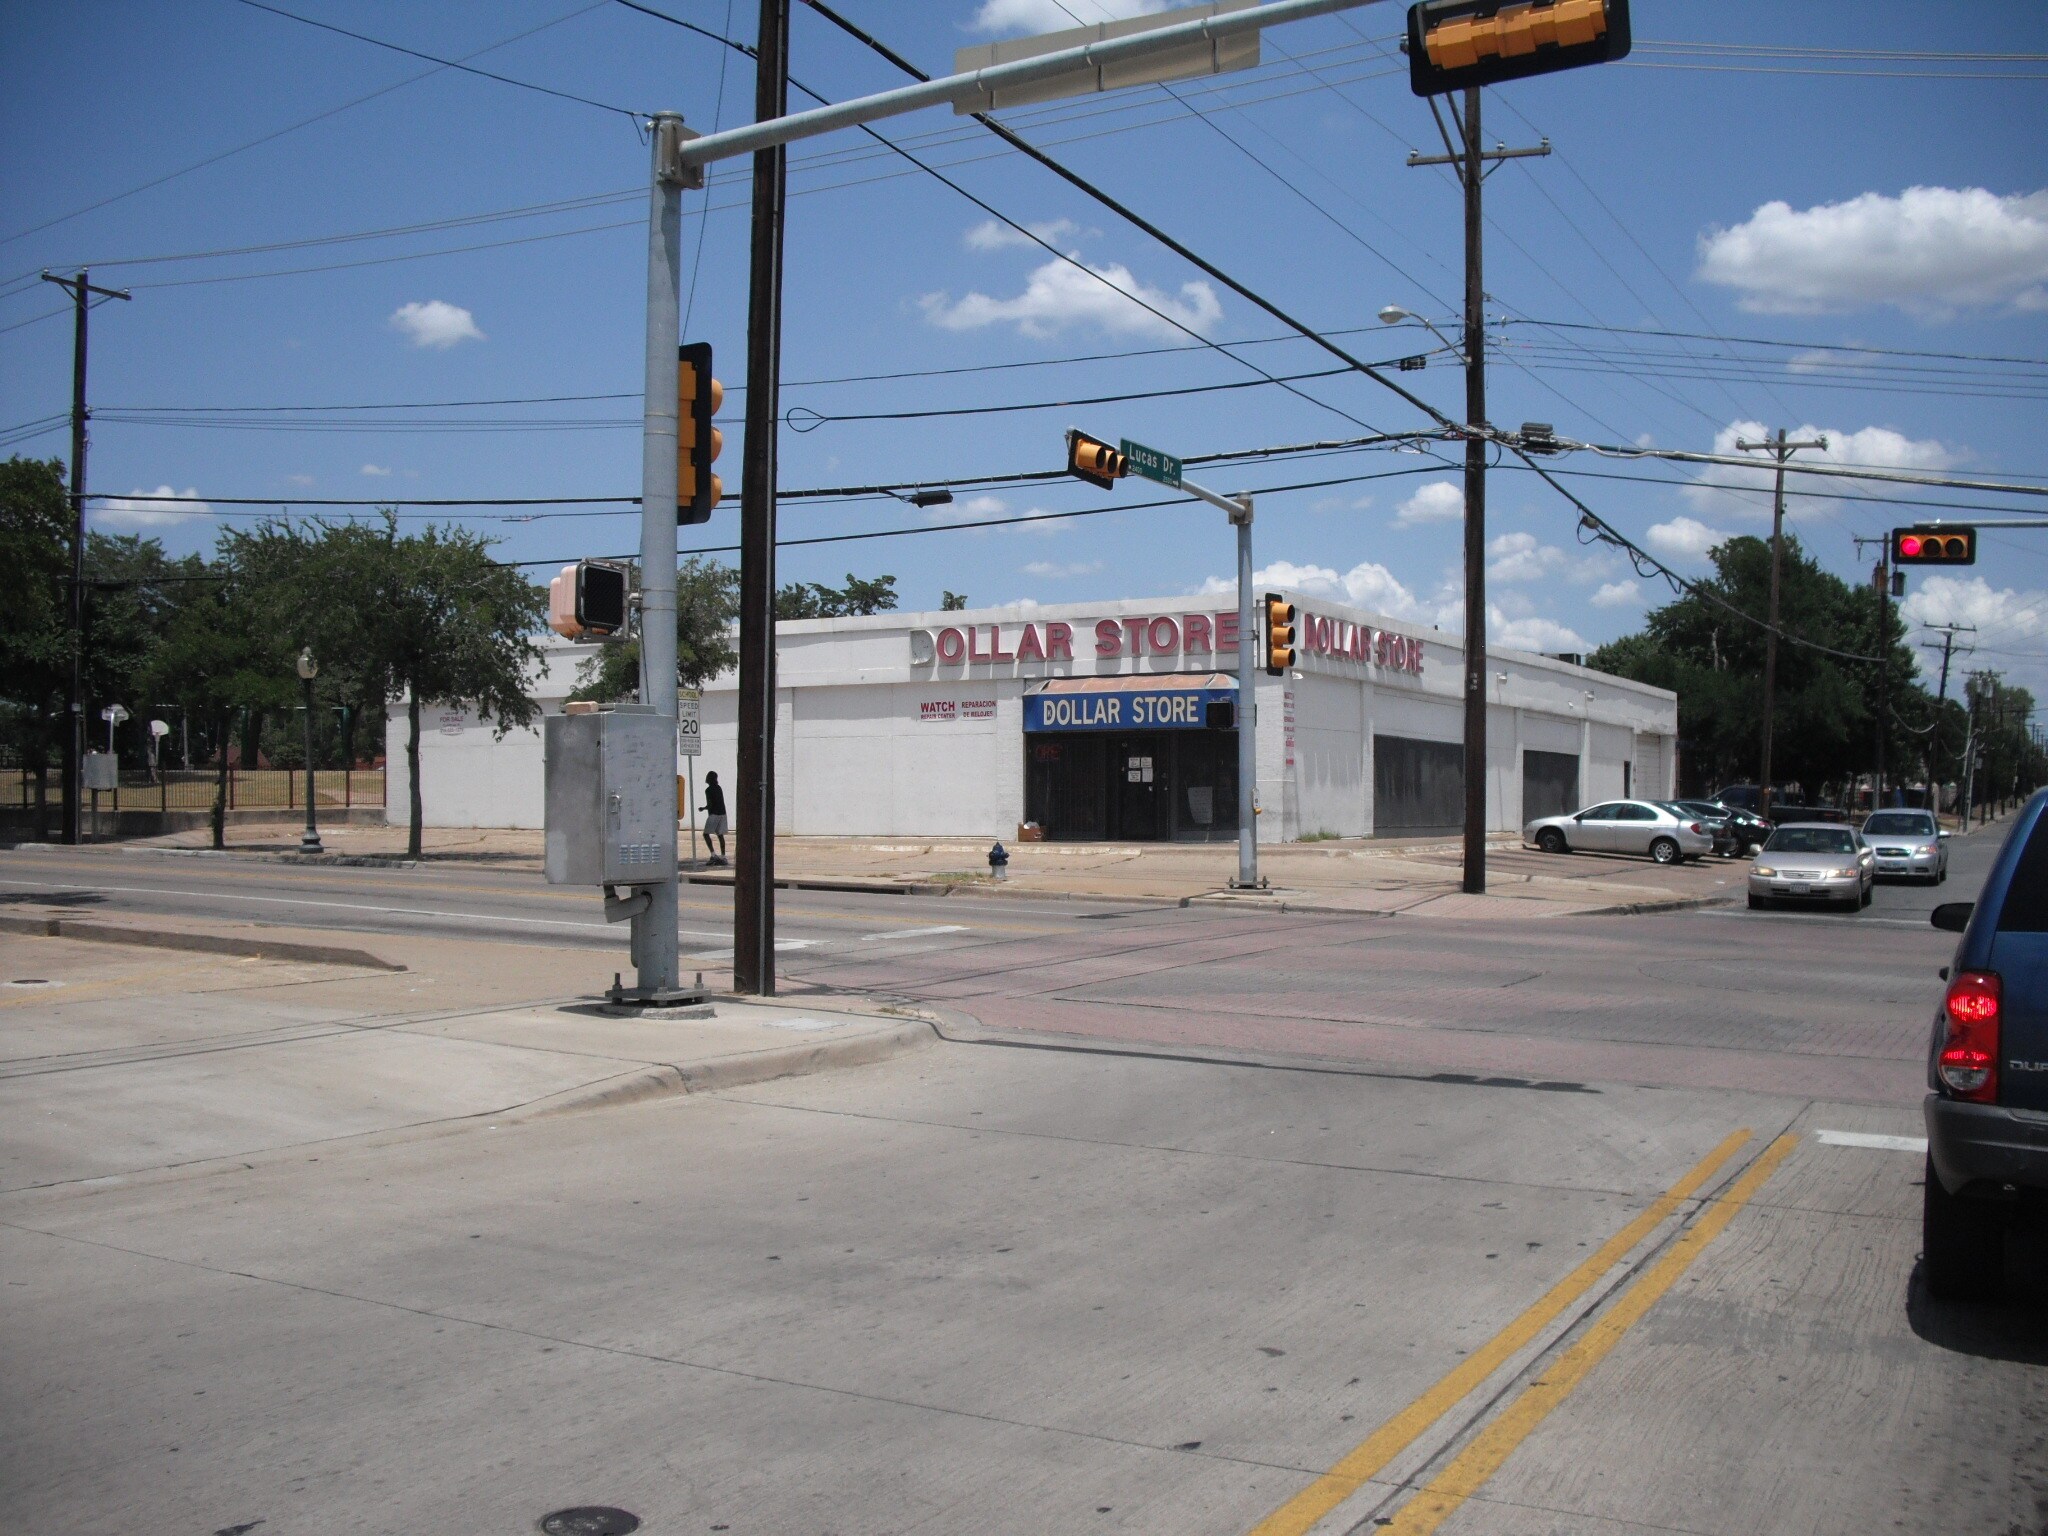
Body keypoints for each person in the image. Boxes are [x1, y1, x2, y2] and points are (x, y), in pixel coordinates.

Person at [701, 770, 728, 866]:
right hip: (722, 813)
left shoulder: (708, 790)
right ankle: (723, 856)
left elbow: (710, 804)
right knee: (720, 835)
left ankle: (713, 855)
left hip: (714, 814)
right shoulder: (719, 788)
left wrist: (703, 808)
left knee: (706, 834)